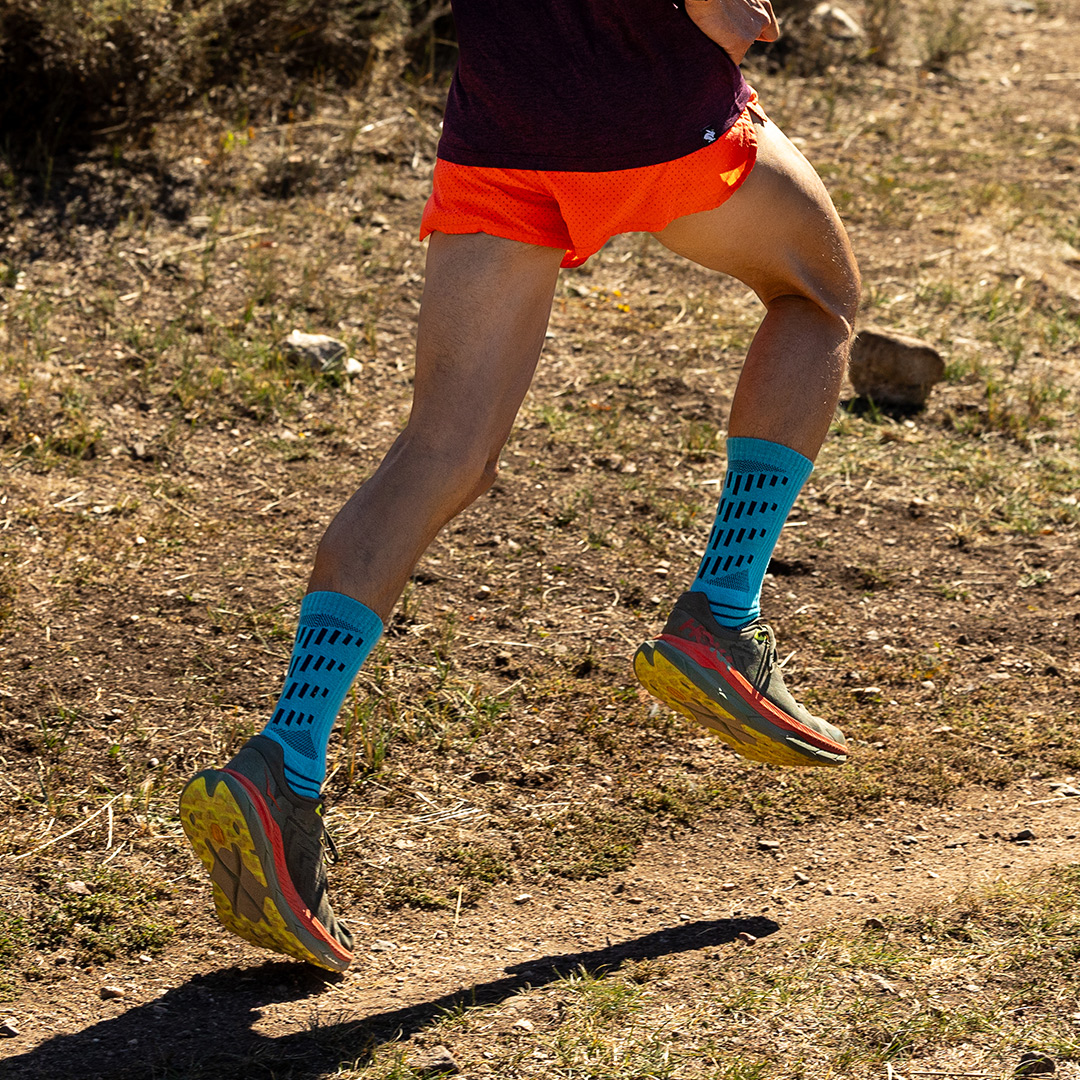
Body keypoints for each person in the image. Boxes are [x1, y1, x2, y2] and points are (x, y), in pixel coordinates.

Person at [179, 0, 860, 972]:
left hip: (501, 120)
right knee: (819, 295)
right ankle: (723, 613)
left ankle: (285, 758)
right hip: (645, 97)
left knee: (441, 449)